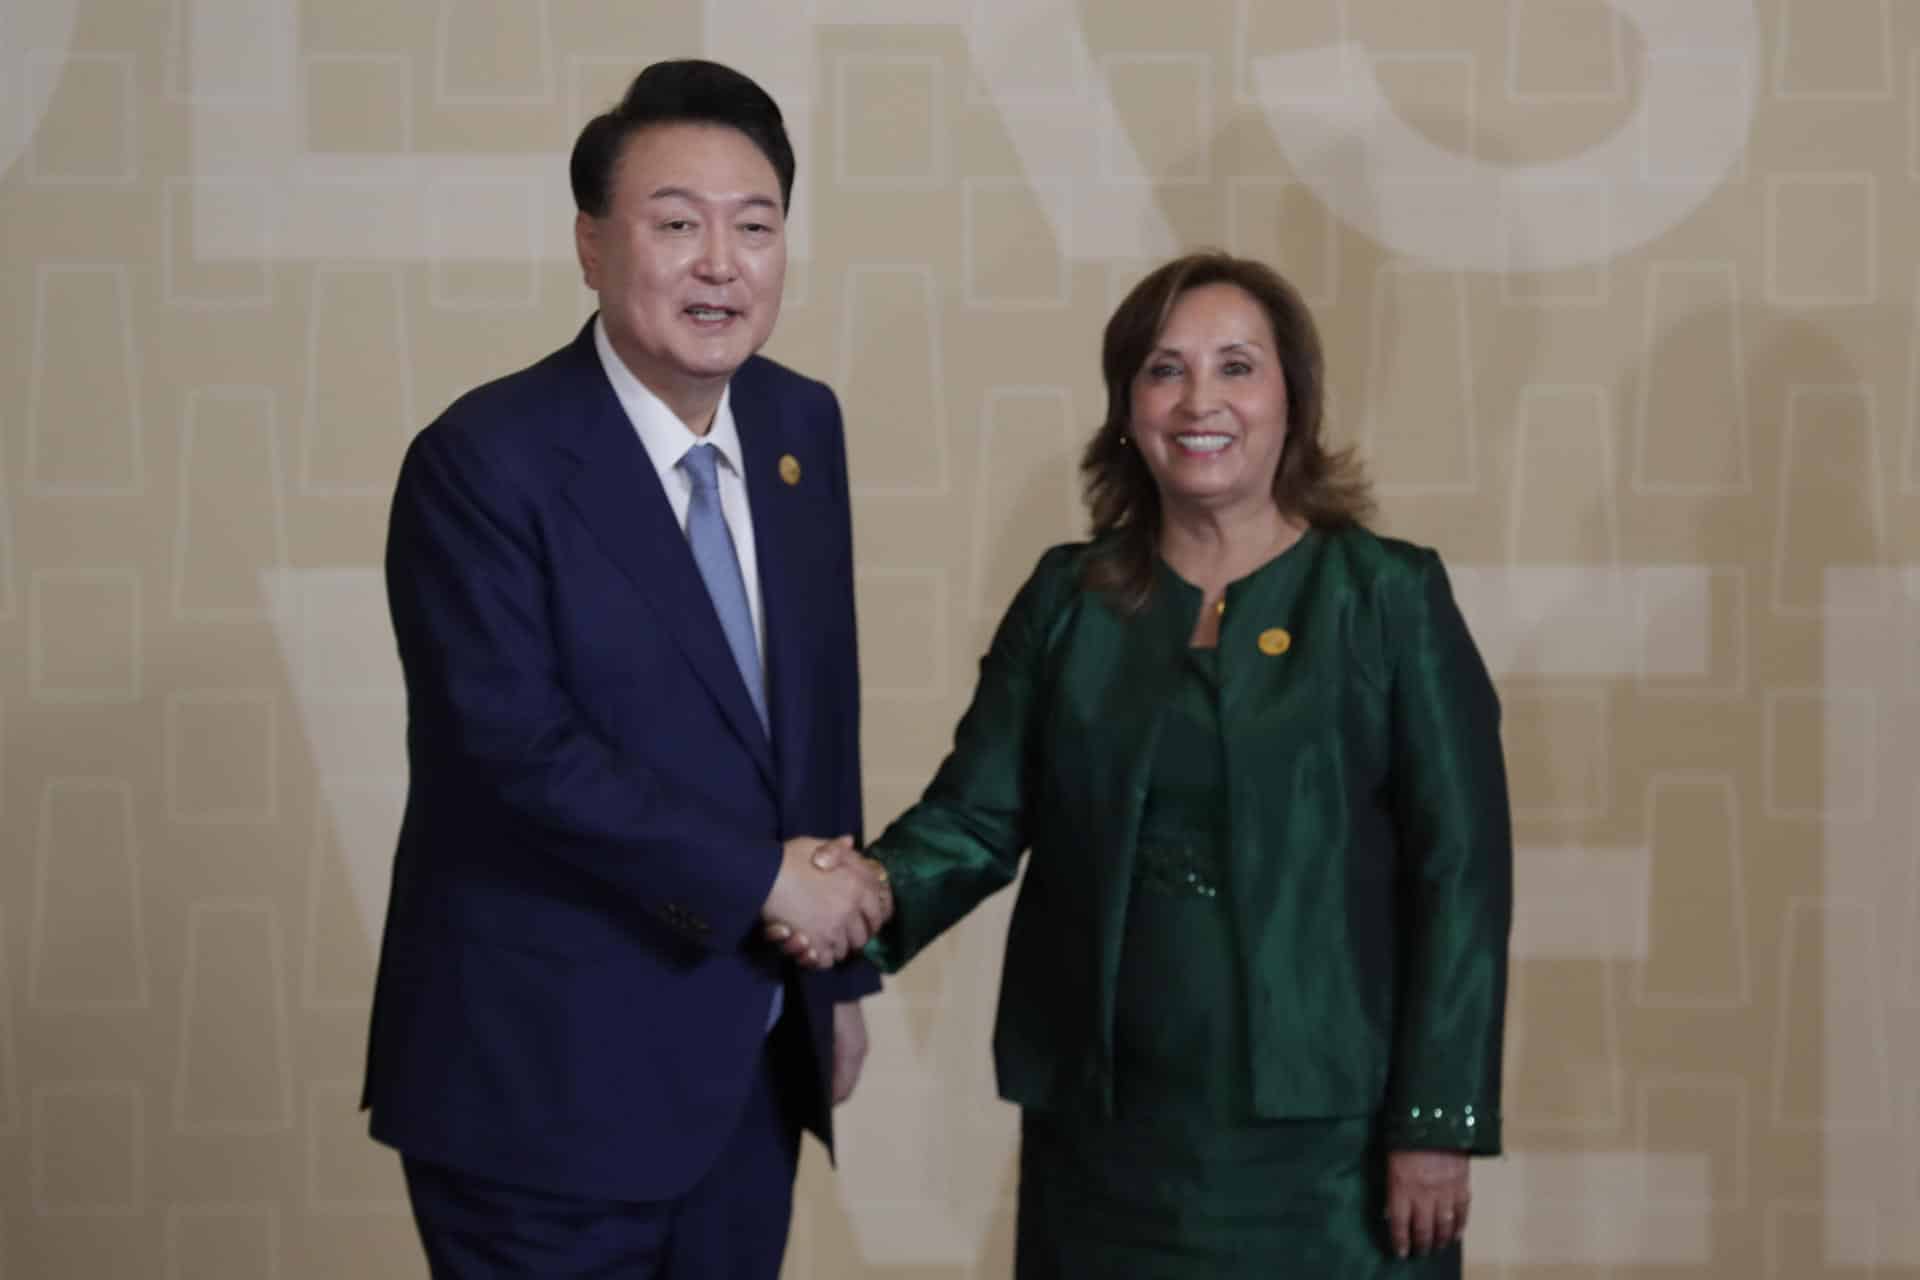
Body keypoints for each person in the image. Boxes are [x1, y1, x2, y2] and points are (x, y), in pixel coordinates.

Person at [783, 250, 1512, 1275]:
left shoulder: (1386, 597)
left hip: (1329, 1149)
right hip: (1106, 1139)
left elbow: (1461, 873)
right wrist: (845, 896)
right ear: (1126, 407)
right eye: (1165, 369)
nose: (1199, 398)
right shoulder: (1069, 598)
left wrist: (1438, 1115)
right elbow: (977, 817)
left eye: (1236, 366)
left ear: (1292, 400)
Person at [362, 58, 892, 1278]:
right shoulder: (482, 460)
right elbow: (511, 750)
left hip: (748, 1057)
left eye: (754, 227)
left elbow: (814, 712)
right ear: (594, 245)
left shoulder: (801, 423)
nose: (721, 262)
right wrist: (767, 877)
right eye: (676, 224)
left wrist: (836, 975)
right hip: (538, 1084)